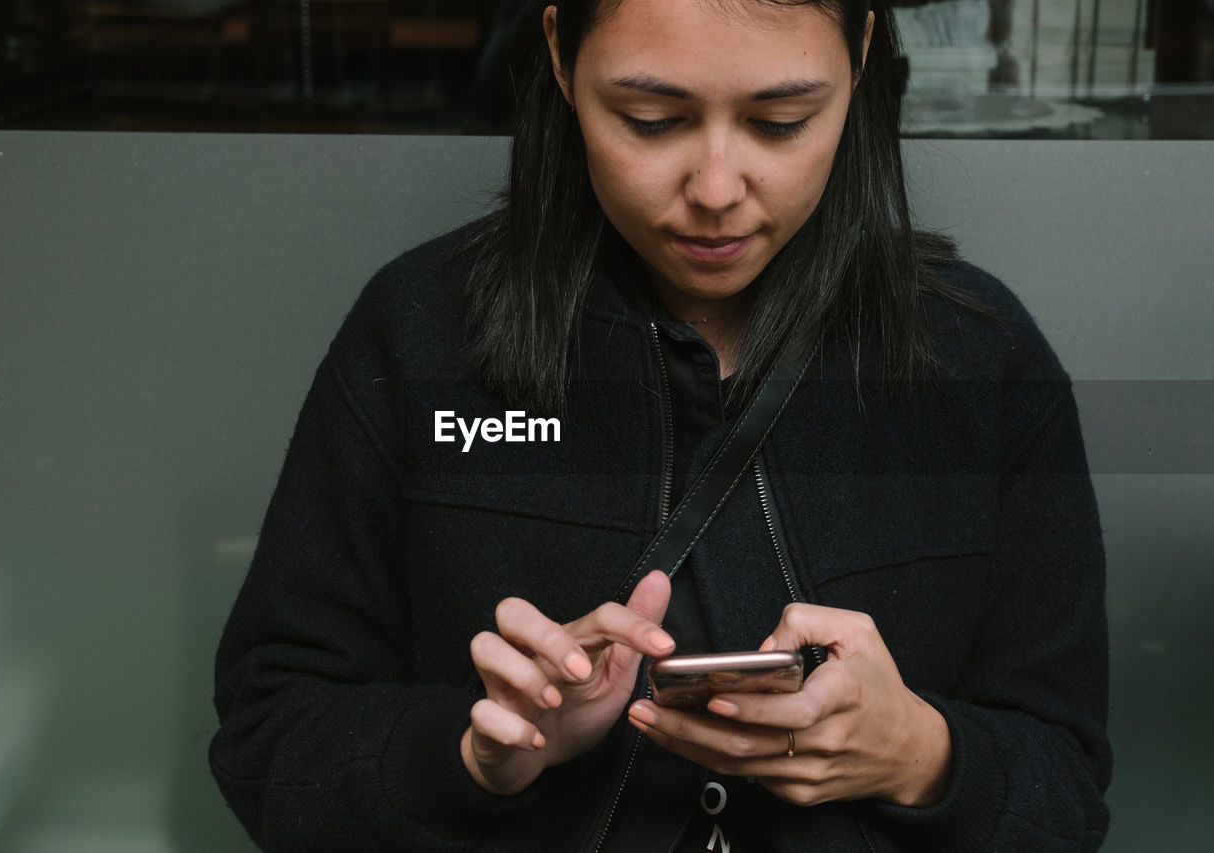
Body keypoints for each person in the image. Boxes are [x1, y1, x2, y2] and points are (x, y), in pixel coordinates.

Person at [209, 1, 1113, 850]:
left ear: (864, 55)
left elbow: (1068, 787)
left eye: (782, 121)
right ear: (561, 55)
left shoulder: (980, 359)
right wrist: (478, 754)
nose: (716, 189)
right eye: (649, 118)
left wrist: (921, 756)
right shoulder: (420, 335)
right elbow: (270, 739)